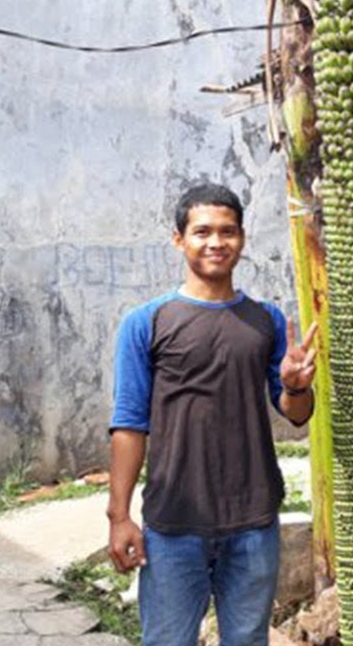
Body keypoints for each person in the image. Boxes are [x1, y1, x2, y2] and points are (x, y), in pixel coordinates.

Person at [106, 183, 317, 646]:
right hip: (174, 523)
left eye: (228, 231)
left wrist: (297, 386)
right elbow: (129, 425)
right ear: (179, 239)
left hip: (254, 521)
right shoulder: (146, 322)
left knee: (247, 639)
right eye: (202, 232)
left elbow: (295, 413)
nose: (216, 242)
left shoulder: (266, 320)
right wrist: (119, 515)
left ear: (241, 238)